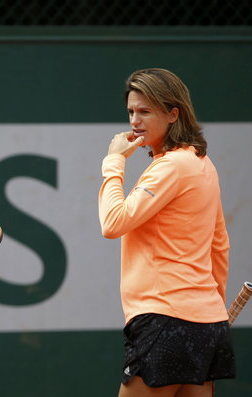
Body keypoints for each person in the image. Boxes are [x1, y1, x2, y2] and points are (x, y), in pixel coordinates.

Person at [98, 68, 235, 397]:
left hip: (164, 320)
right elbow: (220, 246)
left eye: (145, 111)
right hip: (206, 323)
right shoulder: (202, 164)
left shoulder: (172, 167)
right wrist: (212, 309)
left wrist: (114, 161)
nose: (135, 121)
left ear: (174, 114)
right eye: (131, 111)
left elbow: (113, 223)